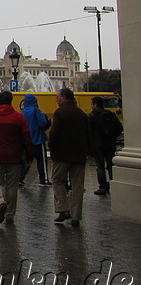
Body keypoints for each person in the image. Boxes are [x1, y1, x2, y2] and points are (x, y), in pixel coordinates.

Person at [0, 90, 33, 224]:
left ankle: (0, 202)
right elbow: (27, 138)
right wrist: (29, 157)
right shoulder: (19, 117)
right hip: (15, 156)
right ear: (10, 101)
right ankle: (10, 215)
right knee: (12, 186)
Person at [48, 87, 91, 226]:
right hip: (79, 155)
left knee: (57, 181)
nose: (56, 99)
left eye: (57, 97)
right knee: (78, 185)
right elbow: (88, 134)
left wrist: (51, 148)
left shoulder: (60, 113)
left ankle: (63, 209)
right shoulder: (81, 113)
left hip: (62, 154)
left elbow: (54, 134)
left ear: (64, 98)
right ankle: (76, 216)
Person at [89, 96, 123, 196]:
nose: (91, 106)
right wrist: (112, 137)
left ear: (95, 104)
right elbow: (119, 128)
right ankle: (113, 184)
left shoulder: (92, 116)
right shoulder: (111, 114)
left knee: (100, 166)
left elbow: (89, 131)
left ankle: (102, 187)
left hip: (98, 145)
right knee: (110, 165)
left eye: (91, 104)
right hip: (110, 144)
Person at [20, 94, 52, 186]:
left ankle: (20, 178)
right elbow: (43, 123)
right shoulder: (37, 111)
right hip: (38, 139)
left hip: (26, 141)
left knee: (26, 160)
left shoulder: (22, 112)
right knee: (41, 161)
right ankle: (44, 180)